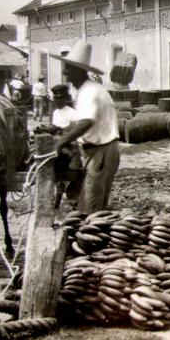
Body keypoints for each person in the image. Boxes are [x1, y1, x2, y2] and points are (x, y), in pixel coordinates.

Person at [51, 41, 119, 213]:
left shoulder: (90, 91)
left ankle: (93, 238)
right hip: (95, 150)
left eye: (68, 68)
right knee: (89, 203)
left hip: (101, 151)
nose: (65, 72)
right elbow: (81, 121)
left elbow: (86, 122)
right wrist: (62, 131)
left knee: (90, 206)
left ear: (78, 71)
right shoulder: (85, 91)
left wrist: (60, 143)